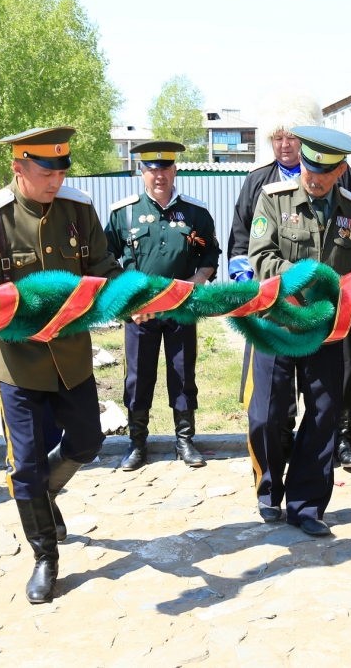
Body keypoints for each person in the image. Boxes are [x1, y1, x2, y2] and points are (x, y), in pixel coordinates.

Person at [0, 127, 123, 603]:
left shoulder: (78, 209)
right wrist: (28, 303)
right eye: (46, 172)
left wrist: (128, 292)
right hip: (18, 362)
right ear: (19, 167)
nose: (56, 180)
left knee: (88, 441)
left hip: (71, 355)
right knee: (25, 464)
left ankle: (44, 496)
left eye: (62, 170)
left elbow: (102, 267)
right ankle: (45, 555)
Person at [246, 125, 351, 536]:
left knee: (323, 414)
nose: (312, 178)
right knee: (266, 415)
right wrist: (303, 279)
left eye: (323, 172)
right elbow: (260, 257)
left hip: (326, 332)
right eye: (308, 167)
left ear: (340, 170)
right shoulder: (273, 199)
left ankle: (307, 505)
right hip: (279, 324)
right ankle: (268, 490)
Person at [228, 93, 351, 469]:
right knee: (270, 406)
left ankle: (334, 449)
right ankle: (278, 454)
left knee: (329, 398)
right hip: (275, 313)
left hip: (326, 322)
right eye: (277, 138)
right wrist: (258, 290)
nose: (285, 145)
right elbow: (243, 245)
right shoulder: (260, 184)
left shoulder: (346, 187)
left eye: (290, 137)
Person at [105, 141, 221, 471]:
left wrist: (196, 282)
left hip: (181, 309)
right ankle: (137, 443)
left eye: (165, 168)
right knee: (138, 377)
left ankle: (184, 440)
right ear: (141, 172)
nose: (159, 175)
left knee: (182, 373)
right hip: (140, 313)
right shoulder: (122, 213)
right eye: (151, 169)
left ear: (174, 170)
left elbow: (210, 254)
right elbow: (103, 257)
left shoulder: (195, 213)